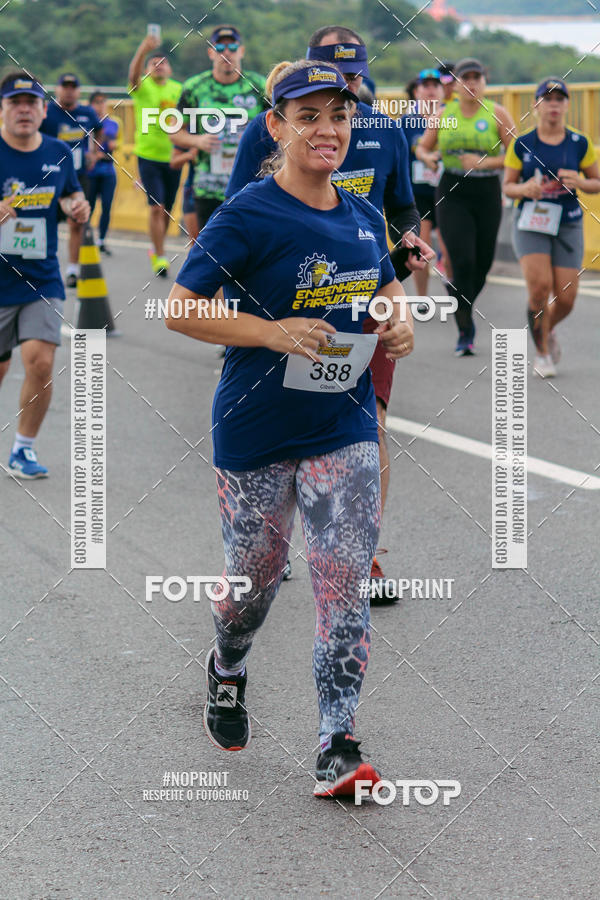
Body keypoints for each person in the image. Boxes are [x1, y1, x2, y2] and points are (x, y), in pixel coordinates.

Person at [165, 60, 414, 796]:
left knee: (343, 580)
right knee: (255, 583)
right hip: (257, 427)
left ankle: (338, 742)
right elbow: (181, 308)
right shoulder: (248, 213)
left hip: (344, 423)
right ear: (276, 126)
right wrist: (272, 332)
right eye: (308, 117)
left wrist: (399, 323)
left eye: (339, 115)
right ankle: (227, 664)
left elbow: (386, 289)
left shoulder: (362, 215)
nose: (327, 129)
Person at [227, 24, 434, 600]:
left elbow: (402, 207)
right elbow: (237, 219)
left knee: (370, 425)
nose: (345, 88)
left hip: (363, 301)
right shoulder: (266, 129)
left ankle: (361, 557)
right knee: (287, 429)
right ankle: (271, 543)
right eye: (333, 75)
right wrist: (256, 323)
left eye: (353, 78)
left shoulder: (384, 130)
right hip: (290, 307)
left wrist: (408, 243)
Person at [0, 71, 89, 478]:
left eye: (31, 103)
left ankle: (23, 449)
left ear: (42, 110)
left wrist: (77, 206)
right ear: (3, 109)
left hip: (41, 278)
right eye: (15, 103)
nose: (24, 110)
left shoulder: (58, 151)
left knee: (40, 361)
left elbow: (71, 193)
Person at [416, 57, 515, 355]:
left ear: (485, 82)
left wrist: (486, 162)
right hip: (453, 190)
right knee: (463, 261)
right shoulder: (444, 114)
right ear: (456, 84)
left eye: (476, 78)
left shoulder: (497, 113)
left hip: (487, 191)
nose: (471, 83)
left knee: (482, 265)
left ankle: (457, 295)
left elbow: (516, 154)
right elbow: (423, 147)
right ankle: (465, 329)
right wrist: (427, 157)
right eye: (465, 78)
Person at [503, 78, 600, 377]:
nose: (554, 105)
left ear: (567, 105)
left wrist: (580, 181)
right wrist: (524, 189)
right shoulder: (521, 143)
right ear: (536, 105)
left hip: (568, 222)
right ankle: (542, 352)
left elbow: (596, 182)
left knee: (567, 298)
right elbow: (508, 186)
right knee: (539, 289)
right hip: (531, 222)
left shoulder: (580, 143)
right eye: (547, 99)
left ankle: (545, 329)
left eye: (560, 99)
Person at [169, 25, 268, 230]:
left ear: (241, 51)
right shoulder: (195, 87)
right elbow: (173, 131)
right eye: (220, 48)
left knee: (248, 247)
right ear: (211, 53)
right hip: (208, 186)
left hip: (249, 185)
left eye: (233, 47)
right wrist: (198, 141)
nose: (227, 53)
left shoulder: (259, 86)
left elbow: (279, 128)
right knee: (207, 246)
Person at [40, 73, 101, 287]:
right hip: (48, 176)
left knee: (77, 220)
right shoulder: (47, 113)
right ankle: (44, 264)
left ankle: (73, 269)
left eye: (72, 87)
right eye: (64, 86)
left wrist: (94, 153)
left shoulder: (87, 112)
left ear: (78, 90)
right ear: (57, 89)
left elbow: (98, 130)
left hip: (77, 176)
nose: (68, 90)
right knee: (46, 222)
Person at [129, 34, 182, 276]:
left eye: (163, 63)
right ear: (147, 70)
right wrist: (143, 49)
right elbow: (133, 77)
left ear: (170, 70)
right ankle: (160, 256)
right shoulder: (142, 87)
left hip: (173, 156)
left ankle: (156, 246)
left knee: (167, 209)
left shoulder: (178, 90)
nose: (159, 66)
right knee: (156, 208)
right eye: (154, 63)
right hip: (148, 155)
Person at [399, 68, 451, 295]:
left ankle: (454, 293)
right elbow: (398, 160)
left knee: (450, 251)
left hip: (448, 192)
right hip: (418, 194)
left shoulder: (452, 118)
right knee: (421, 248)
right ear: (416, 91)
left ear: (443, 91)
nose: (431, 90)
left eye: (435, 85)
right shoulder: (405, 122)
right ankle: (422, 298)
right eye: (426, 86)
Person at [87, 90, 119, 254]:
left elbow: (114, 145)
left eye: (103, 102)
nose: (100, 106)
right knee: (89, 206)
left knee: (106, 206)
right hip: (90, 172)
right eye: (97, 102)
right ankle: (85, 238)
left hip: (107, 170)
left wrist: (105, 149)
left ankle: (101, 240)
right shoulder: (85, 123)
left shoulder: (113, 123)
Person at [170, 144, 199, 241]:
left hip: (227, 193)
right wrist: (190, 154)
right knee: (197, 243)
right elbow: (174, 162)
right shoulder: (194, 134)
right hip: (194, 191)